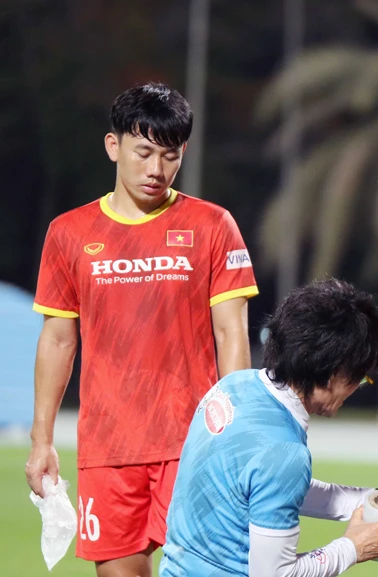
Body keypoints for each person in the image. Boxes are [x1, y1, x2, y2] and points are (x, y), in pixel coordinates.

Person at [27, 82, 259, 577]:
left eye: (170, 156)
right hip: (107, 447)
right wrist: (41, 440)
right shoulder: (69, 233)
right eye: (144, 153)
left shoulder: (212, 225)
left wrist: (235, 432)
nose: (157, 169)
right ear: (114, 146)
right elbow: (58, 339)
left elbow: (231, 336)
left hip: (192, 443)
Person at [160, 278, 378, 577]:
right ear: (336, 373)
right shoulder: (284, 453)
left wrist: (374, 499)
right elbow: (275, 574)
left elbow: (265, 486)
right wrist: (354, 547)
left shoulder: (232, 387)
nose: (355, 389)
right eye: (361, 378)